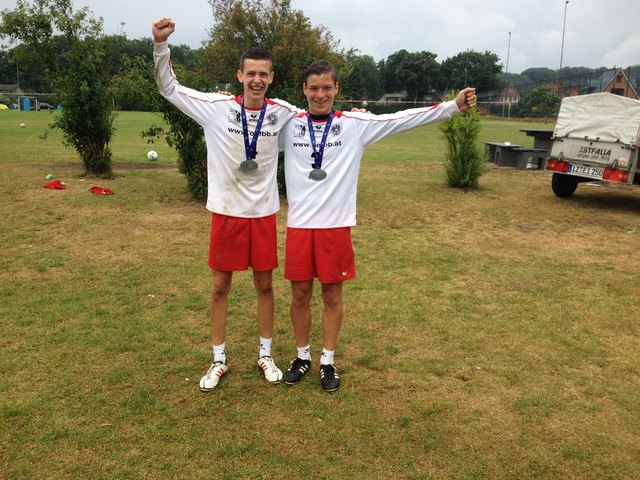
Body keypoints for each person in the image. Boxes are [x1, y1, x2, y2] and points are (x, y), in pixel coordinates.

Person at [279, 59, 477, 392]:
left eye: (326, 87)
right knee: (299, 295)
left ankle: (327, 361)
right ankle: (302, 357)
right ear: (304, 89)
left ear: (336, 89)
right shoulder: (288, 125)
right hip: (299, 226)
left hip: (336, 227)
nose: (320, 94)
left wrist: (452, 107)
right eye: (313, 88)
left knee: (331, 295)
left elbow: (402, 119)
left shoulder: (356, 124)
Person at [152, 17, 303, 391]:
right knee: (220, 287)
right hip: (226, 214)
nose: (257, 80)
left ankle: (265, 355)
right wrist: (160, 45)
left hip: (263, 215)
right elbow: (169, 88)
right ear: (239, 75)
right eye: (250, 73)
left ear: (271, 77)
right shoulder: (215, 108)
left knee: (265, 286)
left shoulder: (283, 112)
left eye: (263, 74)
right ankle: (218, 359)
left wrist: (358, 117)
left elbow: (319, 121)